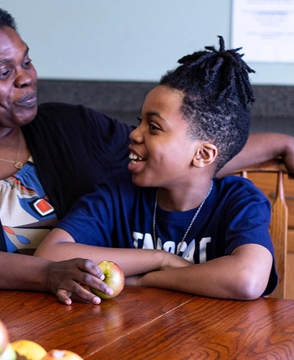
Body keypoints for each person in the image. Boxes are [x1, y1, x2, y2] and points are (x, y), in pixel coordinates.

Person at [0, 4, 294, 305]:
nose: (27, 78)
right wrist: (49, 275)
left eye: (27, 61)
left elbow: (172, 157)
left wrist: (277, 142)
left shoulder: (69, 125)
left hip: (95, 314)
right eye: (4, 71)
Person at [35, 36, 276, 301]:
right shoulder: (119, 192)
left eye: (153, 127)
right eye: (139, 122)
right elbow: (49, 255)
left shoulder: (240, 200)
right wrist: (161, 258)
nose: (134, 134)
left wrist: (149, 279)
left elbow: (247, 280)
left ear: (203, 154)